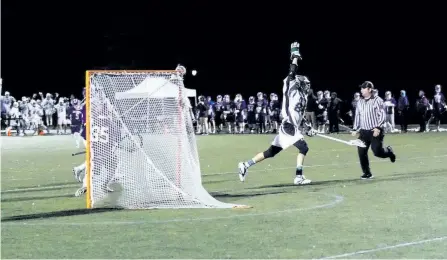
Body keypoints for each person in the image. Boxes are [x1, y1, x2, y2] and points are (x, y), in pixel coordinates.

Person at [237, 42, 317, 185]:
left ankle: (245, 165)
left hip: (292, 125)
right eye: (306, 83)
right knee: (304, 147)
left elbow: (299, 116)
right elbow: (292, 73)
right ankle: (298, 177)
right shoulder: (291, 88)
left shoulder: (303, 97)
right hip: (288, 125)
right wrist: (295, 56)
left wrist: (308, 127)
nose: (308, 86)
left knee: (271, 152)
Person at [352, 81, 396, 179]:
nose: (361, 90)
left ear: (369, 89)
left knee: (377, 152)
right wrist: (355, 128)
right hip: (363, 132)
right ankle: (367, 173)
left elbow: (382, 115)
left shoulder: (378, 100)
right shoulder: (360, 102)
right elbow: (358, 116)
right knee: (361, 152)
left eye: (363, 88)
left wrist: (378, 127)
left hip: (375, 131)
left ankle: (389, 152)